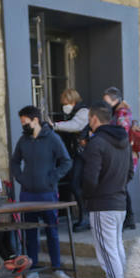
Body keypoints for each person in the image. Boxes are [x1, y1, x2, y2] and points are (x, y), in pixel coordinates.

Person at [10, 105, 72, 278]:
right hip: (27, 194)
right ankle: (32, 269)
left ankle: (57, 268)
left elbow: (66, 162)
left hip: (48, 194)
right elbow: (14, 162)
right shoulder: (23, 141)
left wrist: (52, 179)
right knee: (30, 233)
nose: (23, 125)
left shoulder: (53, 139)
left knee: (52, 231)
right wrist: (21, 178)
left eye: (25, 122)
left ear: (35, 120)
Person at [81, 102, 132, 278]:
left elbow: (89, 179)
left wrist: (88, 194)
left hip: (103, 204)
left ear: (94, 119)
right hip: (119, 201)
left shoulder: (97, 143)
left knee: (107, 250)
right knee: (116, 247)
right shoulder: (124, 140)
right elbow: (130, 173)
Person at [52, 89, 91, 231]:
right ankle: (84, 217)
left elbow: (76, 126)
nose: (64, 106)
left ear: (73, 101)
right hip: (80, 154)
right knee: (76, 185)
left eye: (66, 103)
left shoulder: (83, 112)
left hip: (85, 155)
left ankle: (85, 217)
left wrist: (55, 126)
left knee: (78, 184)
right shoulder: (75, 112)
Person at [103, 86, 139, 229]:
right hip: (126, 154)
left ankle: (129, 219)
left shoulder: (122, 113)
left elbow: (122, 133)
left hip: (126, 155)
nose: (105, 104)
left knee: (121, 185)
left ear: (115, 100)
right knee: (122, 186)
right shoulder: (119, 112)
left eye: (106, 101)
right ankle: (129, 219)